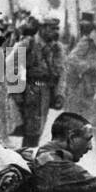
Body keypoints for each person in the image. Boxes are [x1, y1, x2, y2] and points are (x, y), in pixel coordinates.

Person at [15, 15, 65, 147]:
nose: (55, 32)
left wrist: (59, 94)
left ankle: (28, 159)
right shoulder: (28, 43)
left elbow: (61, 72)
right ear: (42, 29)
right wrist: (17, 92)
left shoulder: (56, 48)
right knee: (31, 131)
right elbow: (12, 65)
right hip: (30, 91)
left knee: (39, 130)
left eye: (56, 28)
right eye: (51, 28)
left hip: (46, 93)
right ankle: (25, 160)